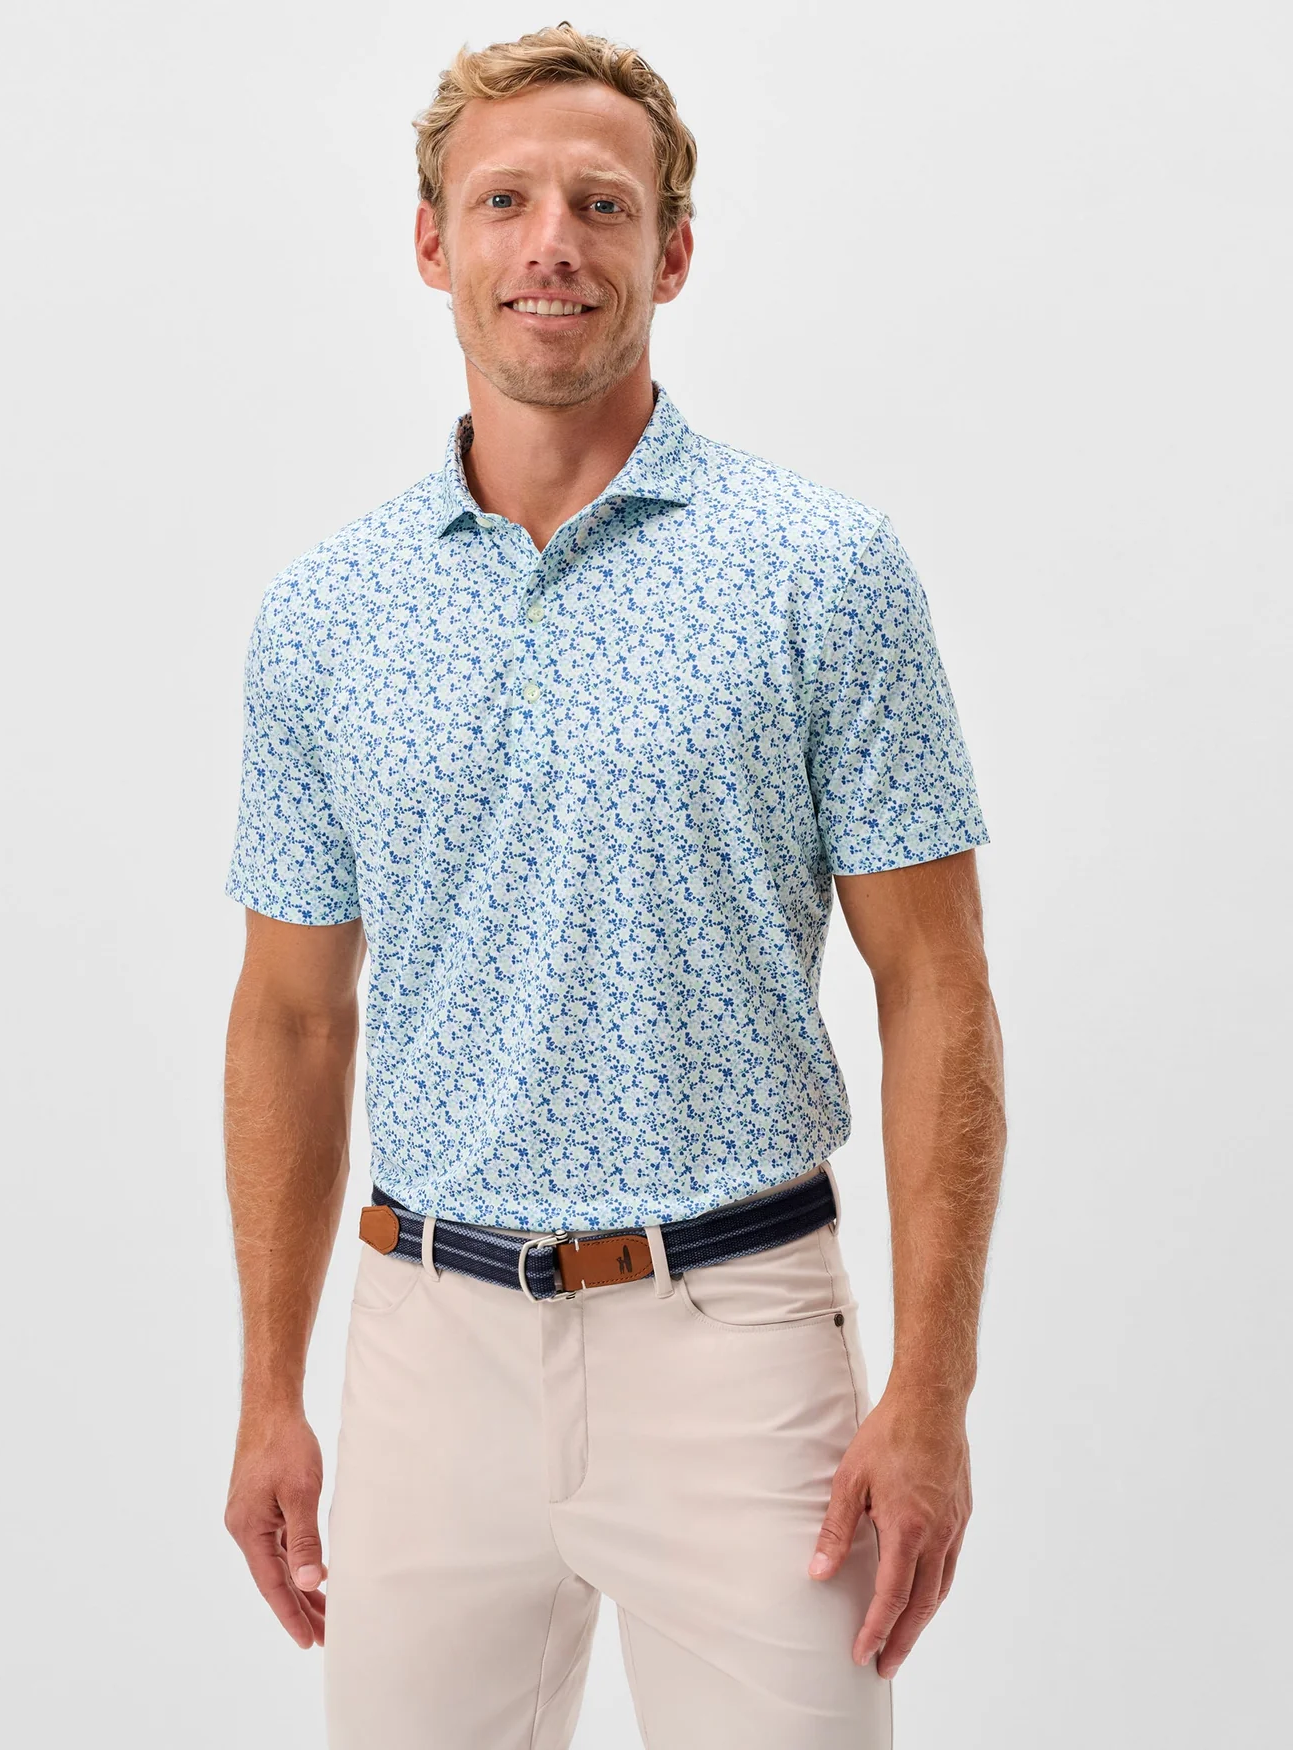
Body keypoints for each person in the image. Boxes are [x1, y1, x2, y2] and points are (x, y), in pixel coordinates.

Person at [221, 23, 1006, 1749]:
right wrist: (270, 1388)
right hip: (426, 1344)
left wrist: (930, 1394)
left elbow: (935, 982)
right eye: (503, 200)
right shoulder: (327, 614)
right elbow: (290, 1011)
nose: (550, 243)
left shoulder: (821, 570)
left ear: (674, 249)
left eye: (600, 202)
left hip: (738, 1347)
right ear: (434, 242)